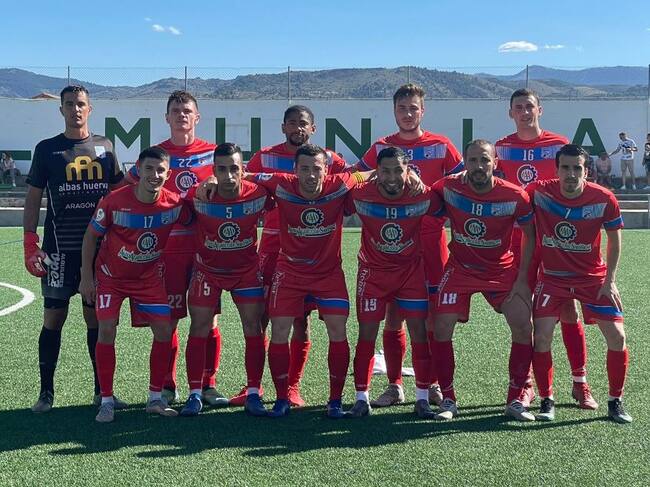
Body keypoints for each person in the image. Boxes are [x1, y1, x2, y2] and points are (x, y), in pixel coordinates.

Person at [244, 144, 374, 418]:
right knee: (279, 331)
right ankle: (281, 398)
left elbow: (369, 173)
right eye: (304, 169)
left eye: (317, 169)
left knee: (338, 331)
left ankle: (335, 401)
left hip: (328, 275)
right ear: (295, 170)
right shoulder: (281, 184)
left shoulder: (339, 184)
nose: (311, 175)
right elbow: (244, 175)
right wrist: (210, 181)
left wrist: (408, 175)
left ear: (326, 170)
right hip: (289, 273)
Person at [356, 83, 463, 408]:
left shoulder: (441, 145)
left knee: (430, 318)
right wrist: (381, 176)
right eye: (402, 108)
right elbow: (357, 177)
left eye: (413, 108)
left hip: (431, 243)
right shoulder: (381, 147)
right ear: (394, 111)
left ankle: (431, 385)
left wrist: (427, 184)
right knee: (393, 315)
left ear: (422, 110)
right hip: (393, 243)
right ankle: (395, 385)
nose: (407, 114)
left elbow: (461, 181)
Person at [237, 105, 347, 408]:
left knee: (302, 320)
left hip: (312, 246)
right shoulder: (265, 157)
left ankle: (292, 387)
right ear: (283, 127)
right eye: (292, 123)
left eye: (303, 124)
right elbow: (242, 181)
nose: (298, 128)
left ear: (313, 129)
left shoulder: (330, 159)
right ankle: (253, 386)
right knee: (263, 317)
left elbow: (352, 180)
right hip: (273, 247)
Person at [23, 85, 125, 413]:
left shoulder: (105, 147)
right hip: (58, 251)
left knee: (97, 320)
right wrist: (29, 242)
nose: (75, 109)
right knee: (54, 318)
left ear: (89, 109)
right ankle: (46, 393)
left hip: (98, 252)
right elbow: (33, 198)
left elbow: (119, 193)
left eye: (81, 104)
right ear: (62, 110)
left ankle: (101, 392)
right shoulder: (47, 149)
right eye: (69, 104)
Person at [496, 88, 596, 410]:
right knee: (524, 315)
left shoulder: (558, 144)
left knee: (568, 311)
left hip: (556, 241)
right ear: (510, 113)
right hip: (518, 242)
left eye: (530, 106)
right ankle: (525, 385)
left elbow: (576, 188)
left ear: (540, 109)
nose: (525, 112)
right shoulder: (501, 148)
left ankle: (580, 383)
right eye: (519, 107)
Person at [126, 91, 225, 407]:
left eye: (187, 110)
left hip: (203, 251)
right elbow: (127, 188)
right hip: (165, 252)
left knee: (207, 320)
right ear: (166, 117)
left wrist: (217, 185)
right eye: (176, 110)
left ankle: (207, 385)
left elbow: (237, 184)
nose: (182, 115)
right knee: (166, 322)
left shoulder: (213, 154)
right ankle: (167, 387)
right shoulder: (156, 156)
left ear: (197, 117)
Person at [79, 146, 190, 422]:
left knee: (164, 329)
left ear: (169, 175)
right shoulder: (114, 201)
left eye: (160, 170)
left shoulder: (175, 203)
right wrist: (86, 277)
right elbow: (91, 237)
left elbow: (199, 214)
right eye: (149, 169)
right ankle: (106, 400)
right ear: (138, 170)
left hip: (148, 279)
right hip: (111, 278)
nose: (155, 175)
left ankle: (155, 398)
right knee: (106, 329)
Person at [430, 139, 536, 422]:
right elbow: (426, 195)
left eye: (485, 160)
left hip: (500, 270)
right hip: (460, 269)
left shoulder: (514, 195)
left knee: (523, 325)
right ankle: (448, 399)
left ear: (495, 163)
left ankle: (516, 398)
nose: (479, 166)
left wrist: (523, 279)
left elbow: (531, 235)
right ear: (465, 162)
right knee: (440, 326)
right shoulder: (448, 187)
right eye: (473, 160)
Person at [528, 144, 631, 424]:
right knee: (542, 336)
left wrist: (610, 281)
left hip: (592, 278)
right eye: (565, 168)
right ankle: (547, 399)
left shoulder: (603, 198)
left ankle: (615, 401)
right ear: (557, 170)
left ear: (587, 171)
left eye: (577, 168)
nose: (571, 174)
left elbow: (614, 239)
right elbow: (507, 194)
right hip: (553, 278)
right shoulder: (539, 192)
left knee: (617, 337)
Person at [345, 147, 443, 419]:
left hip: (411, 273)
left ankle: (422, 398)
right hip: (373, 275)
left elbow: (450, 200)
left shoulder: (422, 195)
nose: (391, 177)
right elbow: (342, 181)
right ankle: (361, 399)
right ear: (377, 171)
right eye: (385, 171)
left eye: (398, 170)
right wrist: (364, 175)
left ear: (408, 170)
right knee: (366, 336)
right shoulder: (360, 194)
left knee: (419, 334)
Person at [180, 143, 272, 417]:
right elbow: (176, 202)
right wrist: (202, 184)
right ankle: (195, 393)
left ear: (243, 170)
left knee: (253, 328)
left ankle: (253, 392)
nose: (229, 175)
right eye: (221, 169)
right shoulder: (199, 195)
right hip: (207, 271)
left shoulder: (259, 193)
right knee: (199, 327)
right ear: (213, 171)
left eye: (234, 168)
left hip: (246, 272)